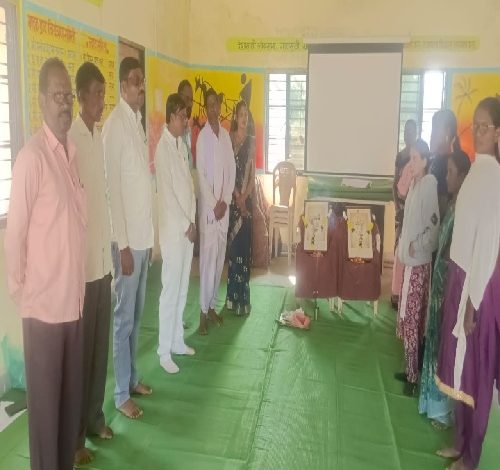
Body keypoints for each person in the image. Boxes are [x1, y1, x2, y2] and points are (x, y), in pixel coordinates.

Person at [4, 57, 86, 470]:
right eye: (57, 95)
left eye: (68, 95)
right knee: (45, 423)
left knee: (68, 419)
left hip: (72, 309)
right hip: (43, 315)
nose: (65, 103)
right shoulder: (31, 159)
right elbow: (14, 236)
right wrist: (26, 296)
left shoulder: (70, 155)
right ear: (40, 100)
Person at [436, 97, 500, 470]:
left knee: (475, 374)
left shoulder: (495, 179)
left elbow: (488, 247)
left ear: (498, 133)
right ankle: (459, 442)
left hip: (478, 288)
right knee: (460, 368)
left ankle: (472, 457)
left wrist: (473, 301)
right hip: (461, 278)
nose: (476, 131)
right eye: (473, 125)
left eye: (484, 126)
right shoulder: (477, 170)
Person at [103, 57, 153, 419]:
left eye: (143, 80)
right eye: (136, 81)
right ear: (123, 85)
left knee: (136, 316)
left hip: (143, 238)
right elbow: (112, 192)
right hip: (126, 244)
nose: (141, 86)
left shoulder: (136, 121)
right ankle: (121, 394)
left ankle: (132, 378)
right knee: (123, 319)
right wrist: (121, 246)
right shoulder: (115, 126)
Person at [68, 62, 113, 466]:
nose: (102, 100)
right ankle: (75, 436)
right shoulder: (72, 139)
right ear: (80, 95)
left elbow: (102, 200)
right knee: (80, 356)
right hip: (81, 268)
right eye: (96, 93)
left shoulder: (98, 137)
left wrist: (110, 252)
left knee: (100, 349)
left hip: (102, 261)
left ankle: (96, 417)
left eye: (103, 93)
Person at [418, 151, 470, 429]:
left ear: (462, 176)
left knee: (443, 343)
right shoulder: (452, 202)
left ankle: (442, 409)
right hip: (440, 279)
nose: (446, 177)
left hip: (449, 284)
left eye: (450, 172)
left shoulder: (464, 208)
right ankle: (431, 403)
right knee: (434, 336)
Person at [155, 93, 196, 374]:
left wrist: (191, 222)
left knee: (182, 287)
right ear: (171, 117)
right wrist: (186, 224)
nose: (186, 121)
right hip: (174, 231)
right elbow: (168, 196)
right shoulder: (163, 149)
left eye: (186, 116)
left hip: (187, 230)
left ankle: (177, 341)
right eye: (182, 116)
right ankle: (163, 351)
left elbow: (188, 187)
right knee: (170, 290)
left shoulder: (181, 145)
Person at [395, 139, 440, 396]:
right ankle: (410, 368)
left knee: (413, 321)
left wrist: (416, 245)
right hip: (409, 262)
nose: (410, 163)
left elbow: (433, 229)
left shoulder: (429, 184)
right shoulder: (414, 183)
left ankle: (413, 377)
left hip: (418, 264)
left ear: (425, 160)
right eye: (409, 158)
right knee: (406, 319)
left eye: (415, 159)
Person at [197, 88, 236, 335]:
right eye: (210, 105)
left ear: (220, 107)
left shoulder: (225, 136)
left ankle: (212, 306)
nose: (214, 109)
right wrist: (215, 204)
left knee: (220, 261)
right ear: (205, 108)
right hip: (211, 212)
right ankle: (202, 313)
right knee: (207, 263)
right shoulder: (202, 138)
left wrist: (226, 200)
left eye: (216, 105)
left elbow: (231, 170)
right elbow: (201, 176)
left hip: (224, 210)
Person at [226, 100, 255, 315]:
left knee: (244, 250)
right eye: (241, 114)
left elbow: (252, 175)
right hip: (233, 201)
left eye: (246, 114)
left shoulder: (252, 141)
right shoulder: (228, 139)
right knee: (234, 250)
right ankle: (232, 297)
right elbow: (228, 170)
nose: (244, 118)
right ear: (235, 117)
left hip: (246, 202)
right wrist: (237, 196)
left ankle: (243, 299)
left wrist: (244, 197)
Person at [391, 120, 418, 308]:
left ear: (416, 133)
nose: (408, 135)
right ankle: (396, 294)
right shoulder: (400, 156)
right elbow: (395, 184)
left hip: (414, 211)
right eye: (406, 132)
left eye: (411, 132)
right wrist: (397, 208)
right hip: (401, 211)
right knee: (398, 251)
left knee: (409, 252)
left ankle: (406, 294)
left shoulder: (418, 158)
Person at [429, 109, 461, 218]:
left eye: (436, 128)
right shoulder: (432, 160)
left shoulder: (452, 164)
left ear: (447, 131)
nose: (432, 134)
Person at [178, 79, 194, 168]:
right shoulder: (170, 132)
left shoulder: (188, 131)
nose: (190, 104)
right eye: (187, 99)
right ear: (179, 98)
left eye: (191, 100)